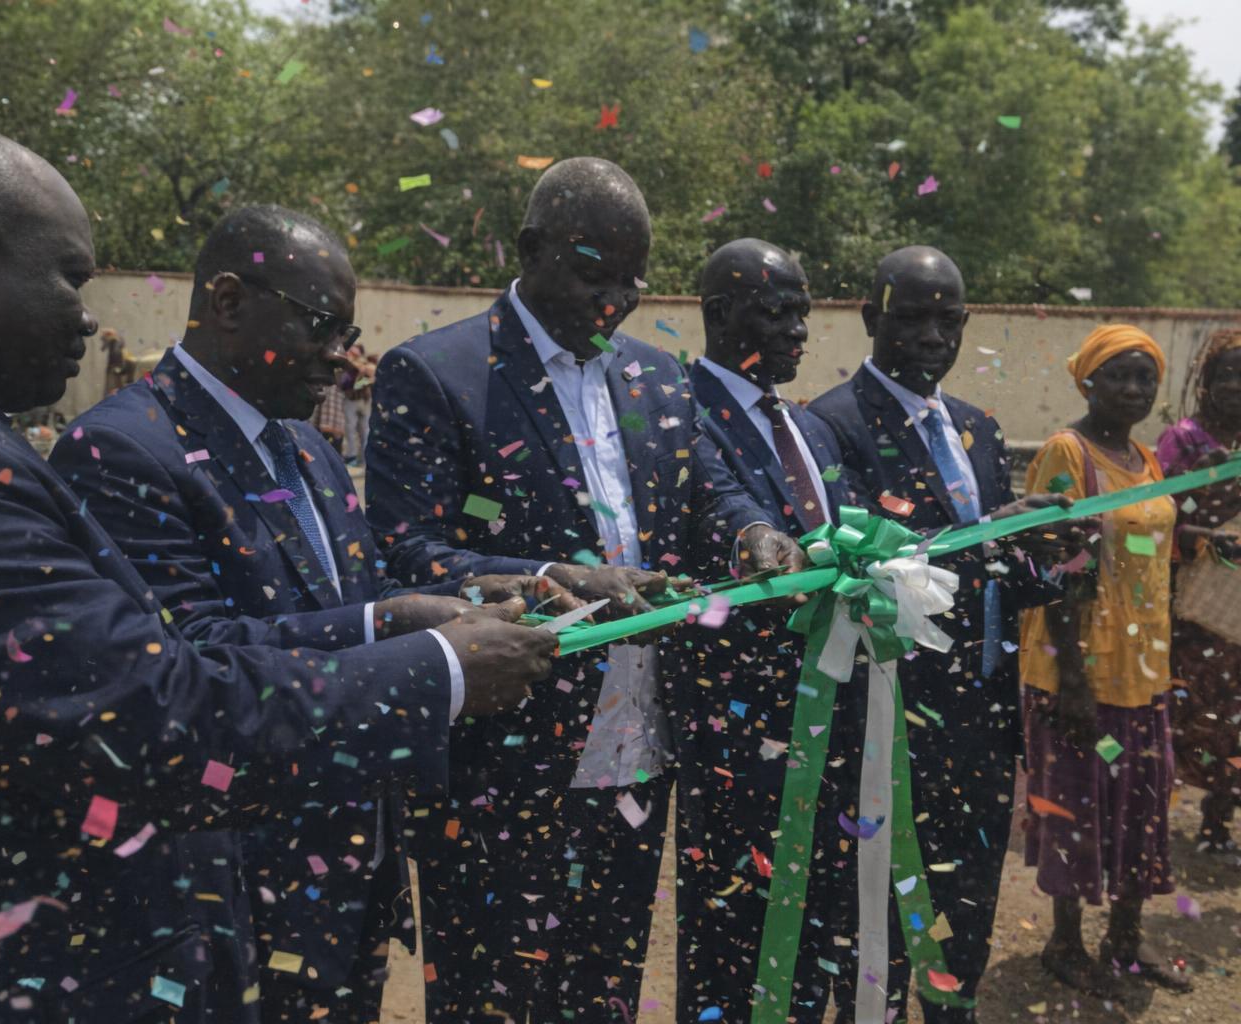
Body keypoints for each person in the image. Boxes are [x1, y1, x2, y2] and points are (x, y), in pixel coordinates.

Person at [0, 119, 550, 1023]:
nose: (88, 315)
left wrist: (407, 614)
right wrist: (443, 670)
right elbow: (153, 717)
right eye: (70, 277)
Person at [49, 205, 580, 1022]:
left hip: (351, 871)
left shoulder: (309, 451)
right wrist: (400, 627)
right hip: (232, 885)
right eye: (324, 325)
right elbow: (193, 656)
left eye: (349, 331)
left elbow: (362, 595)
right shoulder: (124, 449)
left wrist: (489, 596)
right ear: (229, 302)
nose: (343, 355)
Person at [367, 157, 805, 1021]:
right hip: (503, 756)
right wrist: (545, 578)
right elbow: (400, 553)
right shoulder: (438, 373)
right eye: (595, 277)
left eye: (633, 282)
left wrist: (753, 533)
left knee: (605, 987)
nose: (616, 302)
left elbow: (706, 492)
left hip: (637, 746)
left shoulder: (660, 376)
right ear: (530, 249)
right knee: (494, 997)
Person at [808, 246, 1073, 1021]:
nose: (933, 336)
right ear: (871, 318)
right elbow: (862, 569)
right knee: (881, 924)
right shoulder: (831, 425)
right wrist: (994, 532)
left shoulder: (978, 428)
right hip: (890, 725)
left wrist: (1052, 558)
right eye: (913, 319)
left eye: (948, 320)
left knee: (967, 916)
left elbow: (994, 572)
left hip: (982, 724)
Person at [672, 238, 861, 1022]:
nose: (798, 331)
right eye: (777, 312)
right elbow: (720, 505)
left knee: (815, 928)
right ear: (720, 315)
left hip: (831, 718)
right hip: (737, 734)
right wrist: (755, 539)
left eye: (802, 313)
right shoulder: (678, 412)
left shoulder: (812, 429)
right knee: (732, 945)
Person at [1019, 325, 1215, 996]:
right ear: (1088, 381)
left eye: (1145, 379)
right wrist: (1072, 680)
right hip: (1080, 673)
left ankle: (1126, 940)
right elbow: (1055, 571)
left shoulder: (1146, 457)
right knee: (1077, 804)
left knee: (1141, 805)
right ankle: (1065, 943)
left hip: (1143, 669)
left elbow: (1149, 545)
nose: (1133, 389)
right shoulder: (1066, 453)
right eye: (1119, 376)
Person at [1157, 327, 1241, 858]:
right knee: (1181, 712)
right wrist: (1207, 534)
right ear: (1206, 381)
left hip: (1234, 607)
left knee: (1234, 719)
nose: (1236, 387)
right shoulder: (1184, 442)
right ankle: (1151, 824)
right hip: (1188, 607)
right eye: (1227, 375)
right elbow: (1156, 518)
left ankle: (1217, 823)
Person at [340, 342, 376, 465]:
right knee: (350, 429)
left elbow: (372, 374)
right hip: (351, 399)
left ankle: (365, 458)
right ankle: (352, 456)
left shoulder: (365, 364)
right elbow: (343, 382)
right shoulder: (347, 365)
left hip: (364, 400)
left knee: (365, 430)